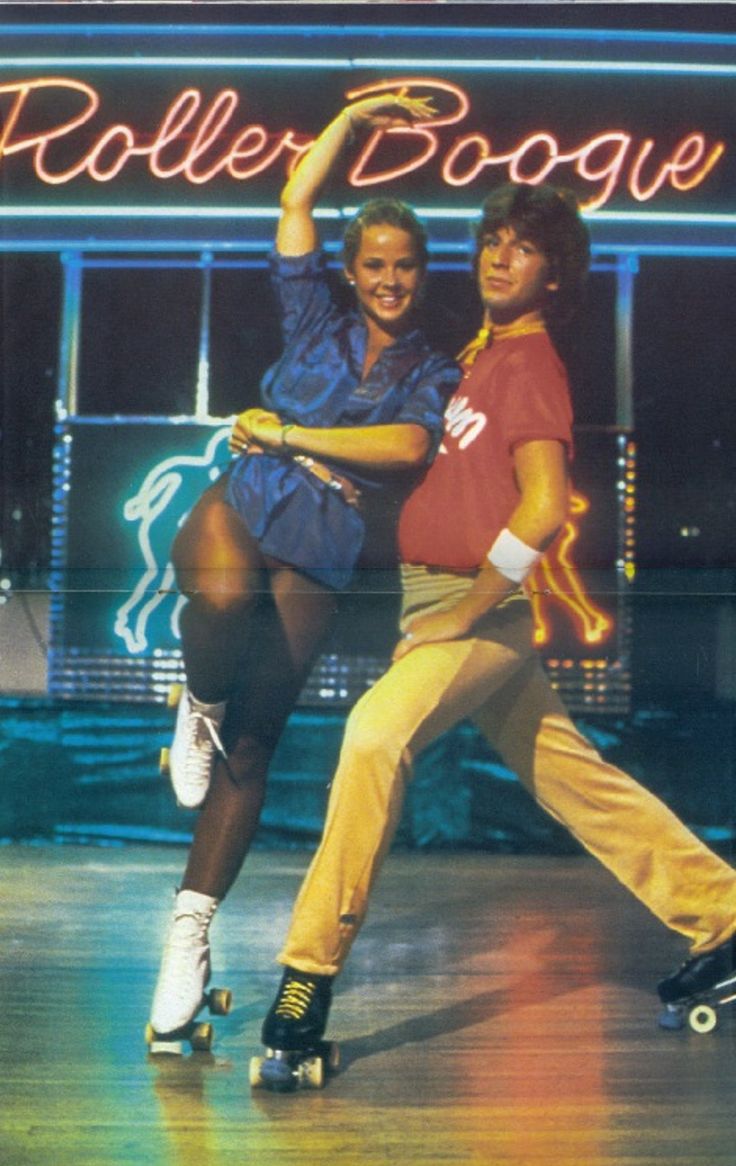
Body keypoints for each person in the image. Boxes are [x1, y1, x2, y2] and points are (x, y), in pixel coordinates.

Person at [259, 182, 736, 1062]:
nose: (496, 257)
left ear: (556, 274)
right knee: (573, 780)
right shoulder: (485, 355)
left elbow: (546, 509)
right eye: (489, 241)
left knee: (372, 736)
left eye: (520, 247)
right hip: (438, 600)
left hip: (474, 609)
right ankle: (724, 914)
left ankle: (307, 973)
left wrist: (469, 610)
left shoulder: (532, 363)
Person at [147, 94, 460, 1044]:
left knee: (255, 749)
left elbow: (408, 448)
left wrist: (290, 429)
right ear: (352, 270)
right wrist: (355, 118)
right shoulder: (313, 317)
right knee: (220, 596)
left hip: (324, 544)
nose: (390, 280)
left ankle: (189, 936)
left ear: (420, 274)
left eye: (405, 265)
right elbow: (296, 198)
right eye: (374, 264)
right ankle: (194, 700)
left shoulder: (433, 366)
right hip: (249, 498)